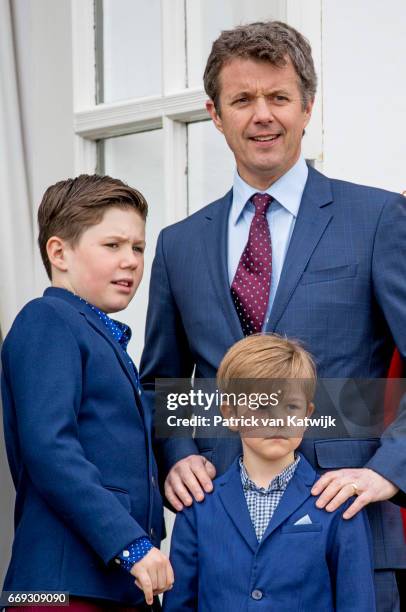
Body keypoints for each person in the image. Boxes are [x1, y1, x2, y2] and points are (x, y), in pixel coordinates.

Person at [140, 21, 406, 610]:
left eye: (279, 97)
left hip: (347, 529)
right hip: (217, 542)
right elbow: (160, 379)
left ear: (307, 107)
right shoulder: (179, 243)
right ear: (215, 113)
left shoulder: (379, 219)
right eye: (242, 99)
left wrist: (387, 470)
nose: (262, 115)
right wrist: (179, 453)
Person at [1, 175, 173, 611]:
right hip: (59, 590)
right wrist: (131, 545)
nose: (131, 261)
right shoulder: (48, 318)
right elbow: (49, 449)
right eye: (112, 246)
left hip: (109, 587)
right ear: (58, 252)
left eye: (137, 247)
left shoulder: (99, 334)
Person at [163, 334, 376, 611]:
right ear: (231, 414)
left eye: (291, 407)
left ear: (308, 414)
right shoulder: (199, 506)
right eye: (262, 405)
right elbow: (179, 604)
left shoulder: (338, 504)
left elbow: (357, 603)